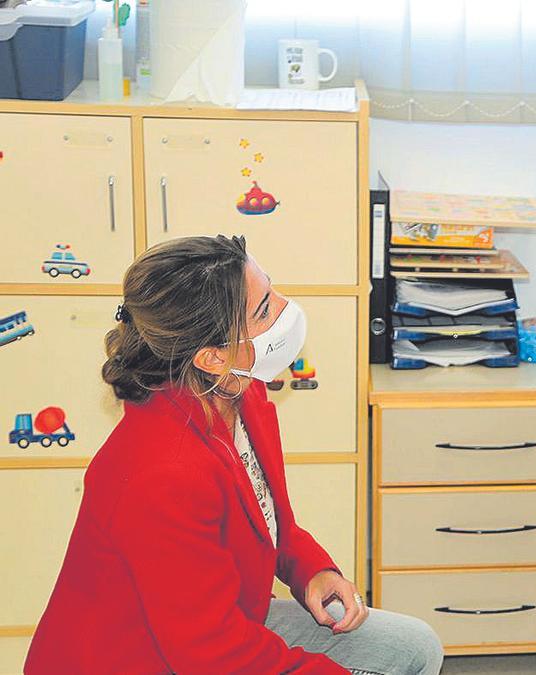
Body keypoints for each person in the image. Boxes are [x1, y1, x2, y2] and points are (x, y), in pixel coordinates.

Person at [26, 236, 443, 675]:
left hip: (216, 626)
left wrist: (312, 570)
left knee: (414, 647)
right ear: (211, 356)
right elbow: (215, 654)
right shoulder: (163, 473)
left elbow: (267, 520)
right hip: (146, 658)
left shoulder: (241, 391)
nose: (285, 308)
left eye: (272, 290)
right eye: (263, 310)